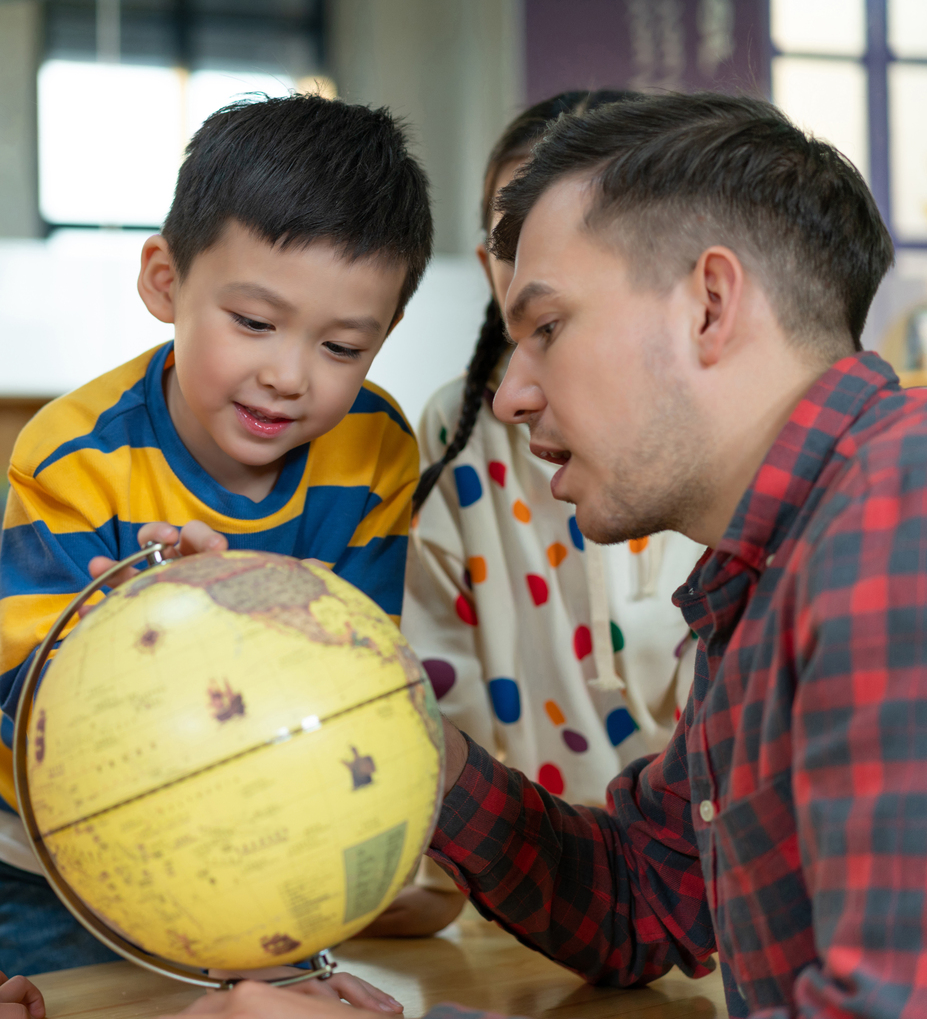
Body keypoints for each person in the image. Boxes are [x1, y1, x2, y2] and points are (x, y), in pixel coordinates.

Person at [157, 90, 926, 1019]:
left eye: (548, 328)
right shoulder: (763, 579)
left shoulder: (895, 514)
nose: (512, 395)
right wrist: (391, 729)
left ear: (710, 306)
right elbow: (641, 899)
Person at [0, 92, 430, 993]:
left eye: (343, 347)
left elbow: (363, 669)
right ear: (165, 280)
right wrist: (161, 624)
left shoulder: (377, 449)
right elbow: (22, 695)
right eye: (254, 323)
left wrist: (254, 598)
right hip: (62, 863)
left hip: (266, 842)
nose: (288, 375)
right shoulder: (76, 456)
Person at [394, 89, 703, 935]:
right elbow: (432, 683)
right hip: (546, 902)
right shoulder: (457, 436)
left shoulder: (718, 434)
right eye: (507, 235)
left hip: (699, 892)